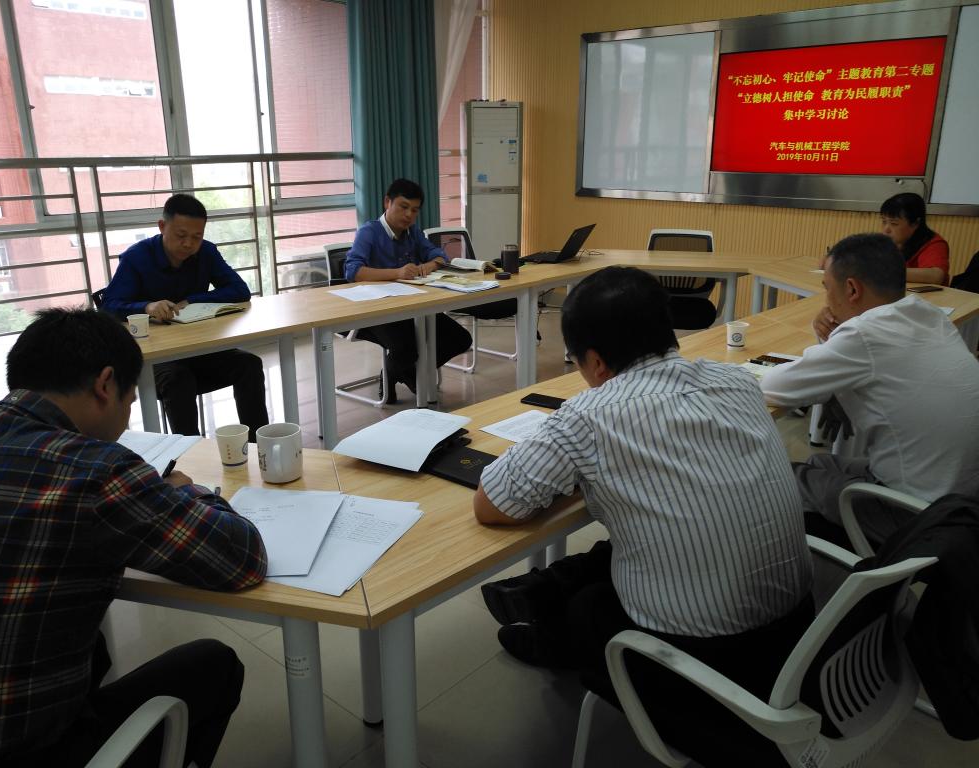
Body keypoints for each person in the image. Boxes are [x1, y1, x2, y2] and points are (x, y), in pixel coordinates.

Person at [475, 266, 813, 764]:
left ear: (594, 361)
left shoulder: (590, 415)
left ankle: (548, 628)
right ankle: (543, 592)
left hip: (709, 663)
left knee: (587, 606)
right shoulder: (737, 380)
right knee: (624, 548)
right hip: (799, 631)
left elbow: (492, 504)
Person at [0, 308, 268, 768]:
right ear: (105, 385)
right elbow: (241, 558)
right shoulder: (98, 471)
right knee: (213, 665)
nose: (126, 418)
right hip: (16, 750)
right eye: (130, 400)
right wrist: (189, 491)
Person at [761, 233, 979, 543]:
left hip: (918, 518)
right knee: (819, 462)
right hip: (962, 503)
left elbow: (772, 387)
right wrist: (833, 341)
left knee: (776, 478)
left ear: (852, 289)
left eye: (827, 288)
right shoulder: (931, 316)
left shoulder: (864, 334)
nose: (826, 301)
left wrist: (833, 340)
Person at [102, 193, 269, 435]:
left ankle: (258, 444)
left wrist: (193, 300)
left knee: (249, 365)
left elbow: (240, 290)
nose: (189, 244)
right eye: (181, 235)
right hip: (156, 359)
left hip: (199, 349)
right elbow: (109, 306)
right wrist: (147, 307)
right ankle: (191, 451)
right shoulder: (137, 257)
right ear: (162, 226)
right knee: (178, 379)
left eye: (197, 236)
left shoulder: (206, 252)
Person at [344, 178, 472, 403]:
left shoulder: (413, 233)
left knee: (460, 338)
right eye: (403, 207)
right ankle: (404, 372)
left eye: (414, 210)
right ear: (387, 202)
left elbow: (439, 255)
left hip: (410, 306)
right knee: (406, 347)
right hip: (375, 310)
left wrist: (429, 265)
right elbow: (353, 271)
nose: (409, 215)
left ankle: (398, 372)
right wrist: (397, 273)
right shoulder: (369, 232)